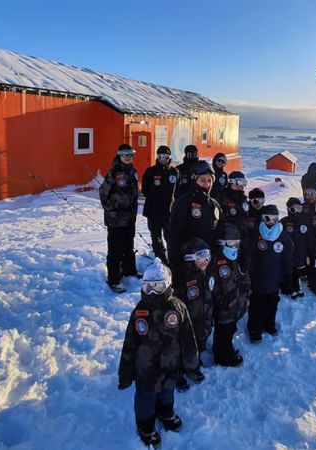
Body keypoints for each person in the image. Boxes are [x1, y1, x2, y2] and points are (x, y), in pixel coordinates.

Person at [118, 260, 201, 448]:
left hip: (170, 365)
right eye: (149, 287)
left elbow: (188, 340)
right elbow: (130, 344)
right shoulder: (140, 311)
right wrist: (125, 373)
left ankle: (165, 412)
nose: (154, 292)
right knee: (145, 398)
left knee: (167, 392)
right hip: (146, 369)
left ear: (168, 285)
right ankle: (146, 424)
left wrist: (192, 366)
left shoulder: (177, 308)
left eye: (159, 286)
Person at [168, 161, 222, 280]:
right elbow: (174, 238)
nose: (207, 184)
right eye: (202, 180)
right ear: (194, 180)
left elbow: (219, 233)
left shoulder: (214, 204)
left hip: (209, 263)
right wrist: (175, 268)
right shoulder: (183, 203)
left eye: (209, 180)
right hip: (188, 266)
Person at [247, 205, 293, 343]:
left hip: (275, 277)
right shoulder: (255, 234)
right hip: (258, 277)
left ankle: (269, 323)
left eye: (274, 218)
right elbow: (249, 256)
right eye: (268, 218)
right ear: (262, 218)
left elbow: (287, 258)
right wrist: (249, 275)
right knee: (257, 303)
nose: (271, 221)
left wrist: (287, 277)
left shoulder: (283, 236)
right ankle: (255, 328)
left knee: (272, 303)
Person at [99, 144, 140, 293]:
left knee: (128, 246)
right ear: (119, 155)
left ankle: (130, 271)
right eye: (125, 154)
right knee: (115, 249)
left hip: (129, 217)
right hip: (115, 219)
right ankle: (114, 279)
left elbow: (134, 194)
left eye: (130, 154)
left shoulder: (133, 171)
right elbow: (103, 192)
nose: (128, 157)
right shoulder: (114, 172)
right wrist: (112, 207)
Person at [173, 238, 213, 392]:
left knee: (198, 345)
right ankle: (179, 373)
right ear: (190, 258)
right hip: (188, 322)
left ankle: (193, 367)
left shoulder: (206, 274)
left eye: (207, 256)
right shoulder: (184, 278)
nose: (205, 261)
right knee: (185, 347)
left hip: (203, 319)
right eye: (200, 257)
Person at [210, 223, 250, 367]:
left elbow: (241, 276)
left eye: (236, 243)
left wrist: (244, 292)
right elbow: (212, 286)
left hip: (234, 304)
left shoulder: (236, 257)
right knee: (224, 333)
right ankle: (224, 357)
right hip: (224, 307)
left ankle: (222, 349)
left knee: (230, 330)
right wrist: (220, 301)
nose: (234, 246)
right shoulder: (215, 260)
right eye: (231, 243)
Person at [142, 145, 179, 264]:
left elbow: (178, 191)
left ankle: (173, 260)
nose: (164, 159)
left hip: (169, 212)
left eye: (166, 156)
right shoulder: (150, 172)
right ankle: (161, 261)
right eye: (162, 156)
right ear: (157, 157)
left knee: (171, 238)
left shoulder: (174, 172)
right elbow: (145, 190)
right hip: (154, 212)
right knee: (156, 237)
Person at [280, 197, 313, 299]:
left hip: (300, 250)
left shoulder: (305, 221)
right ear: (289, 209)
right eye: (293, 208)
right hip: (288, 251)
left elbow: (309, 237)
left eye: (299, 208)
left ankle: (296, 285)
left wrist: (309, 252)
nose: (296, 210)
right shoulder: (284, 221)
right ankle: (289, 288)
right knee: (289, 269)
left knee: (298, 269)